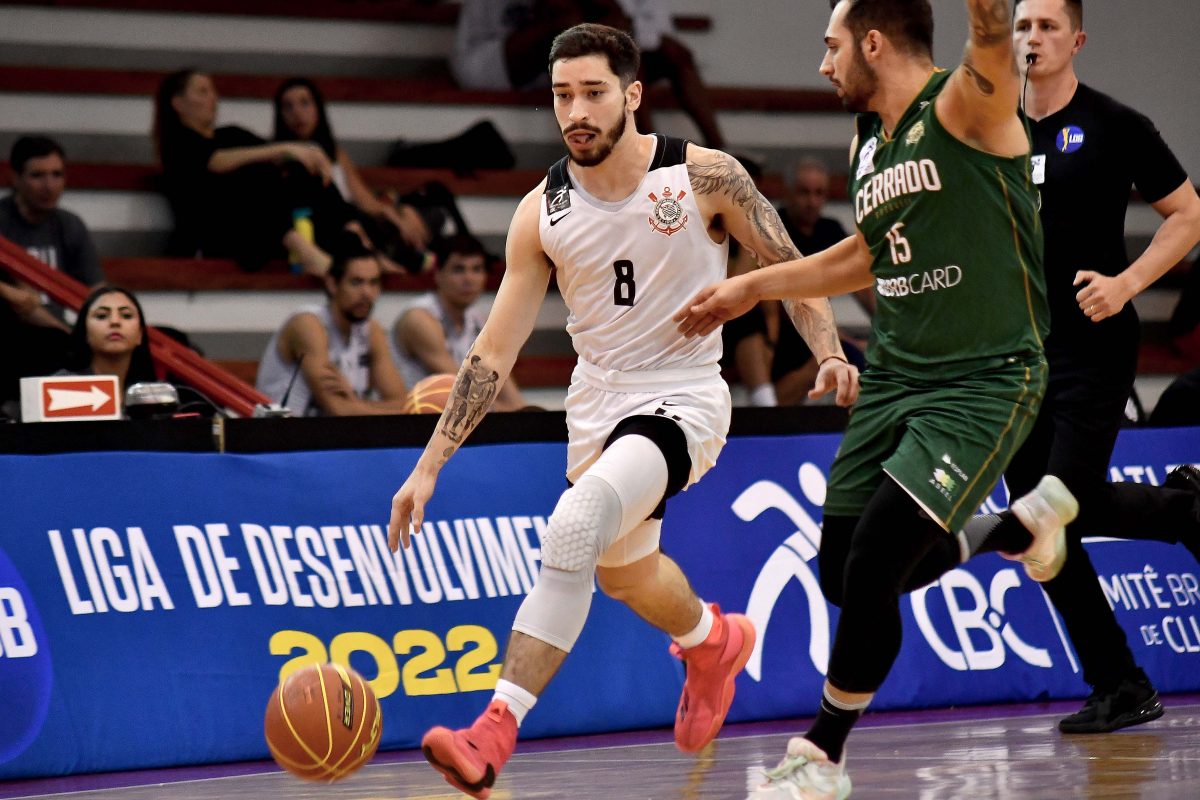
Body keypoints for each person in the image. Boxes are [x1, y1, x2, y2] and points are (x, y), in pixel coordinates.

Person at [387, 23, 859, 800]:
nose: (575, 111)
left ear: (632, 95)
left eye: (593, 93)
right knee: (626, 576)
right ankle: (713, 642)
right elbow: (492, 352)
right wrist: (428, 466)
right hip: (597, 406)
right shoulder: (541, 211)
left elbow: (790, 265)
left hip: (684, 397)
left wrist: (830, 352)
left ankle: (492, 731)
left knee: (574, 526)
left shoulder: (705, 175)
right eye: (561, 95)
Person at [675, 2, 1080, 795]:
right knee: (841, 575)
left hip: (983, 380)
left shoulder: (967, 105)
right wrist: (750, 287)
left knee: (872, 567)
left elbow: (991, 36)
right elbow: (866, 253)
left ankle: (820, 757)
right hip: (895, 376)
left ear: (871, 43)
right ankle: (1013, 526)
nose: (823, 65)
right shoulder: (869, 140)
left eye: (831, 48)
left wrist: (988, 14)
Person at [1000, 0, 1200, 734]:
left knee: (1058, 503)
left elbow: (1188, 215)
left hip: (1094, 344)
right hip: (1015, 355)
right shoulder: (989, 130)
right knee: (1038, 528)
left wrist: (1127, 284)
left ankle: (1184, 511)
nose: (1034, 37)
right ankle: (1118, 682)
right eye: (1023, 26)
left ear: (1077, 39)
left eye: (1048, 26)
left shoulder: (1115, 123)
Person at [153, 69, 355, 274]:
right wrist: (285, 149)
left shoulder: (232, 134)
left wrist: (307, 154)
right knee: (245, 185)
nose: (213, 97)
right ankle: (304, 248)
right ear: (178, 103)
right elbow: (215, 161)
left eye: (213, 91)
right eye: (202, 91)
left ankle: (352, 238)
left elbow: (277, 156)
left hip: (264, 235)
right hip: (222, 233)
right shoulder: (177, 144)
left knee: (301, 173)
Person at [273, 77, 456, 274]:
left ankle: (436, 253)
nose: (297, 113)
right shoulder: (280, 157)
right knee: (355, 220)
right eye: (288, 106)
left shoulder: (335, 152)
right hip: (328, 226)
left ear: (318, 108)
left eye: (304, 103)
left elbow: (362, 197)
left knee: (434, 199)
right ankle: (412, 258)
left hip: (358, 217)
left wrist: (393, 213)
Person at [256, 236, 409, 416]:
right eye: (356, 282)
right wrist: (354, 404)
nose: (367, 293)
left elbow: (405, 405)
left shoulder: (370, 330)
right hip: (281, 430)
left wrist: (354, 402)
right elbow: (338, 410)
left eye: (373, 282)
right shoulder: (308, 324)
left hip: (335, 431)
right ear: (332, 283)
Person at [772, 159, 870, 404]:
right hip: (780, 329)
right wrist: (841, 340)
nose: (812, 201)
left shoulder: (830, 230)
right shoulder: (774, 229)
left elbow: (862, 285)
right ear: (787, 192)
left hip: (819, 329)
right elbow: (783, 305)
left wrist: (889, 326)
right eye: (804, 192)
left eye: (819, 193)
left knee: (863, 360)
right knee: (845, 356)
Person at [392, 233, 526, 411]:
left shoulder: (479, 320)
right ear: (438, 274)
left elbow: (504, 384)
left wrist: (523, 413)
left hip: (452, 417)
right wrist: (511, 413)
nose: (469, 279)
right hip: (414, 417)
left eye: (476, 269)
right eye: (458, 270)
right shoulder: (419, 319)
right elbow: (463, 392)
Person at [0, 135, 104, 327]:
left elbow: (95, 289)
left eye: (57, 175)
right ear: (15, 178)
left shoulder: (70, 224)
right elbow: (23, 305)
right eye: (37, 175)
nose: (49, 186)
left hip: (57, 334)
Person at [61, 285, 158, 395]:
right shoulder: (61, 387)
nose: (115, 321)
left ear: (140, 335)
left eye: (126, 315)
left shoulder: (151, 394)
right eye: (102, 316)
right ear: (85, 332)